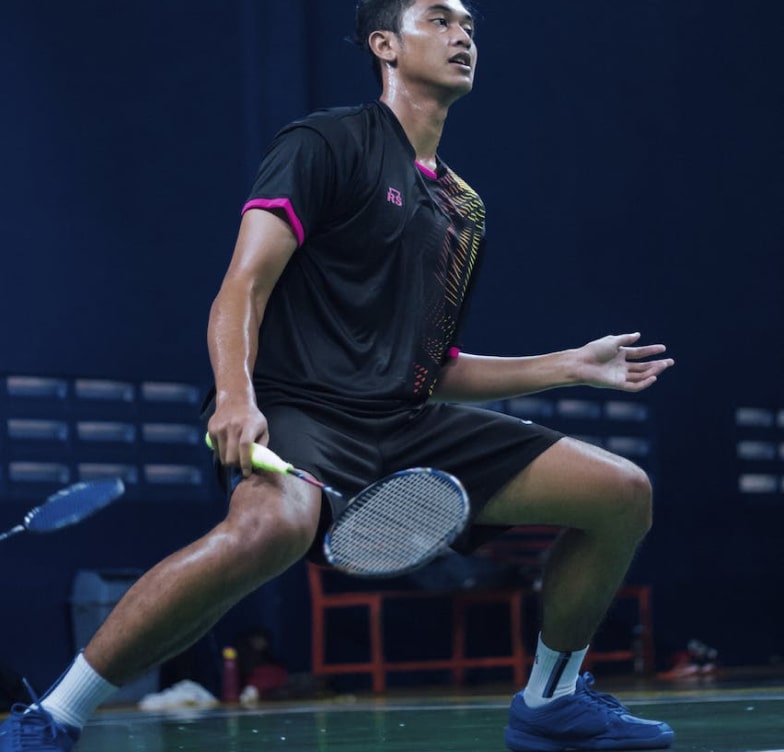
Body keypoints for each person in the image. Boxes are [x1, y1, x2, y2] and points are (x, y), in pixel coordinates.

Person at [0, 1, 676, 750]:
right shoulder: (326, 144)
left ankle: (551, 700)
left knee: (620, 492)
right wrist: (235, 396)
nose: (462, 34)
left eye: (468, 25)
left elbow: (432, 369)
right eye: (438, 19)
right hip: (298, 408)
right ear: (385, 45)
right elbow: (243, 286)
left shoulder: (463, 210)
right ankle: (52, 717)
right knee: (272, 528)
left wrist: (570, 366)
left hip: (403, 422)